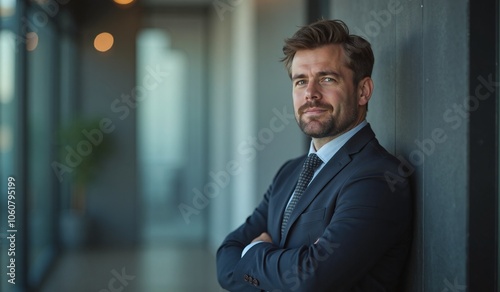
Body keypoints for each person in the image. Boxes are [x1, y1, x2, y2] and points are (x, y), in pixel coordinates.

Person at [216, 19, 412, 292]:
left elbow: (311, 278)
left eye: (327, 79)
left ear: (362, 91)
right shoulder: (290, 172)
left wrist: (255, 251)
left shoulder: (378, 177)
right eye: (301, 81)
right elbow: (226, 259)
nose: (310, 94)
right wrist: (287, 265)